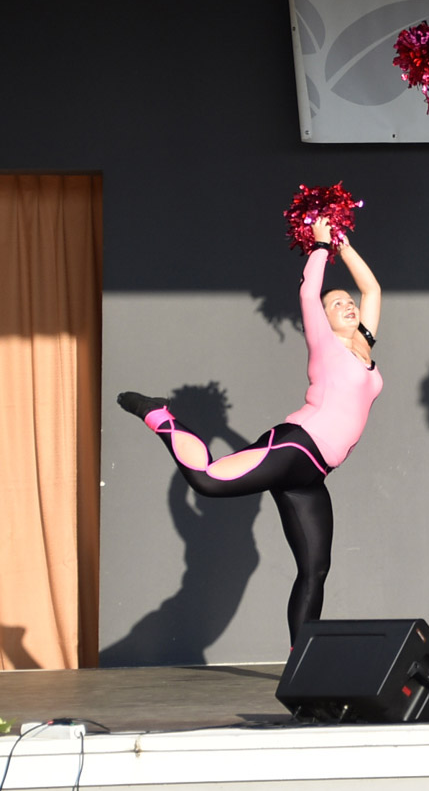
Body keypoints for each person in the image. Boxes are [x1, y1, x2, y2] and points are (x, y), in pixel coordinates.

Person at [117, 216, 381, 647]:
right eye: (337, 304)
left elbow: (372, 289)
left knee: (315, 569)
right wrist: (320, 246)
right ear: (323, 319)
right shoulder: (324, 344)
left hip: (312, 474)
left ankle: (301, 662)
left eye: (348, 302)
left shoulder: (363, 346)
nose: (348, 305)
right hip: (297, 446)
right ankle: (159, 416)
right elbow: (307, 292)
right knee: (206, 480)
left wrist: (344, 246)